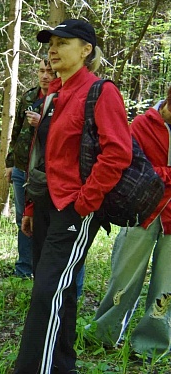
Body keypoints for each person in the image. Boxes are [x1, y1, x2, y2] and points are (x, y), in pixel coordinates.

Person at [14, 19, 132, 373]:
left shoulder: (100, 91)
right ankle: (61, 365)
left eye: (63, 42)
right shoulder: (54, 95)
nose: (53, 48)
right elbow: (43, 157)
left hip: (75, 209)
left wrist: (85, 203)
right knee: (57, 292)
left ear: (86, 50)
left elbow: (118, 154)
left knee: (46, 293)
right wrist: (33, 205)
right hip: (48, 204)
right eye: (51, 42)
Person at [91, 88, 171, 361]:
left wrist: (160, 174)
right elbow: (129, 165)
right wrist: (164, 174)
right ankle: (103, 333)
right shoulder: (141, 125)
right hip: (140, 212)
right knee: (123, 277)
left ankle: (151, 344)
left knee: (166, 286)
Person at [4, 59, 56, 278]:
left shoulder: (60, 100)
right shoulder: (29, 96)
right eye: (41, 71)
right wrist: (9, 163)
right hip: (21, 167)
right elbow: (17, 131)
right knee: (22, 219)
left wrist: (43, 122)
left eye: (49, 72)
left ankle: (43, 269)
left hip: (44, 172)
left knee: (43, 221)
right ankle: (24, 269)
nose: (44, 76)